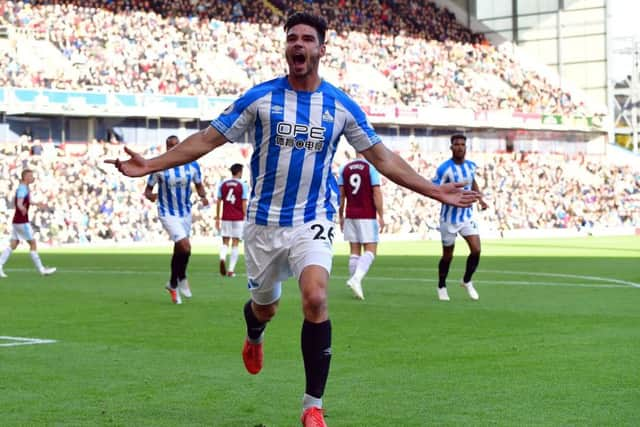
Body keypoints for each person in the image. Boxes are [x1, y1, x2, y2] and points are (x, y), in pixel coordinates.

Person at [107, 12, 478, 426]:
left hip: (313, 219)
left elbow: (382, 157)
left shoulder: (340, 106)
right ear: (286, 48)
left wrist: (433, 188)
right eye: (292, 39)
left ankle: (312, 406)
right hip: (263, 225)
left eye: (306, 39)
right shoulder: (260, 98)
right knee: (264, 309)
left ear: (321, 48)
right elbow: (207, 139)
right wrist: (152, 165)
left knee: (316, 298)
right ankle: (254, 334)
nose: (298, 45)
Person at [143, 135, 209, 304]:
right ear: (166, 147)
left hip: (185, 212)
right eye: (170, 145)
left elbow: (199, 185)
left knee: (181, 249)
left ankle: (173, 284)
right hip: (167, 212)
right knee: (185, 246)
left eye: (176, 145)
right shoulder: (159, 166)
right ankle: (182, 277)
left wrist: (204, 197)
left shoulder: (192, 165)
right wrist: (152, 196)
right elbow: (148, 191)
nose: (173, 148)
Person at [432, 134, 488, 302]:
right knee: (448, 256)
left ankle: (467, 280)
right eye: (456, 144)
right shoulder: (444, 169)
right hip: (449, 219)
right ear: (451, 147)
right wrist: (448, 194)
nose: (460, 147)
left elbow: (473, 181)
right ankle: (441, 285)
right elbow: (435, 188)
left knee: (476, 250)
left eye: (463, 144)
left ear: (466, 147)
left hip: (466, 216)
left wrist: (480, 199)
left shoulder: (471, 166)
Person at [338, 152, 384, 300]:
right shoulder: (371, 168)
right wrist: (381, 215)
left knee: (354, 251)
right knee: (371, 250)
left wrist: (341, 215)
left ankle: (356, 288)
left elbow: (341, 195)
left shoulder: (344, 168)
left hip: (350, 213)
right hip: (367, 214)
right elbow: (376, 193)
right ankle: (356, 279)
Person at [0, 169, 56, 278]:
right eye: (30, 176)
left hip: (17, 220)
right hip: (22, 221)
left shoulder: (23, 187)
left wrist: (36, 204)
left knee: (14, 244)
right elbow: (19, 202)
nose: (32, 177)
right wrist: (22, 208)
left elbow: (24, 200)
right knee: (33, 243)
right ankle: (42, 270)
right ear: (25, 177)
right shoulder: (22, 188)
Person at [215, 163, 248, 278]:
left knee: (225, 242)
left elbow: (218, 201)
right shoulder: (242, 185)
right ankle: (230, 270)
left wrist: (217, 218)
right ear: (239, 172)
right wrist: (246, 215)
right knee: (235, 243)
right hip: (238, 217)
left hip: (226, 216)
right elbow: (244, 202)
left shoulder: (223, 184)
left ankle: (222, 257)